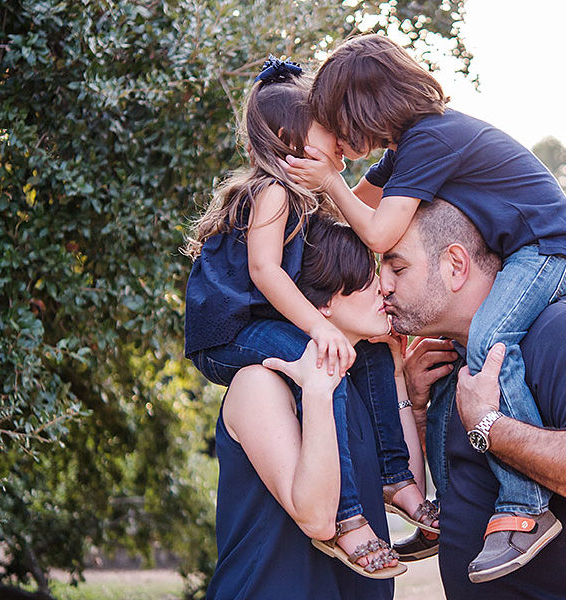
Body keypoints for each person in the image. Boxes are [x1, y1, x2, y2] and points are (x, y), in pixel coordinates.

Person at [285, 34, 566, 581]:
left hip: (550, 250)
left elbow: (377, 232)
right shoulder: (403, 154)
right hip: (523, 256)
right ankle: (451, 517)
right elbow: (359, 208)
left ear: (363, 108)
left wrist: (330, 178)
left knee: (489, 340)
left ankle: (527, 509)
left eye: (337, 122)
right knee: (452, 371)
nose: (336, 135)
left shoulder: (433, 137)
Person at [181, 57, 436, 578]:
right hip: (230, 331)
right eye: (330, 129)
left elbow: (371, 218)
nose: (342, 138)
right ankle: (347, 521)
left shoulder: (308, 195)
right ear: (288, 137)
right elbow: (265, 270)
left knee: (363, 356)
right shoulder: (271, 190)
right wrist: (319, 328)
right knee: (322, 361)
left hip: (266, 324)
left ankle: (395, 480)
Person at [383, 199, 566, 598]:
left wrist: (489, 425)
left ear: (455, 265)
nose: (384, 285)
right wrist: (419, 409)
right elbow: (469, 488)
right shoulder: (449, 358)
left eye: (397, 267)